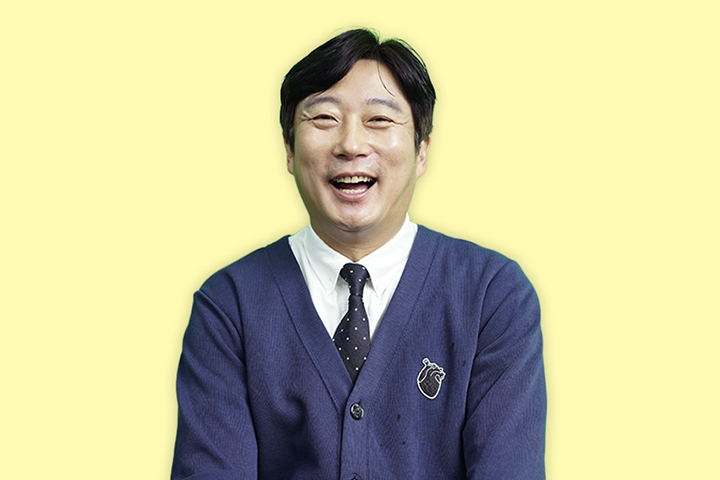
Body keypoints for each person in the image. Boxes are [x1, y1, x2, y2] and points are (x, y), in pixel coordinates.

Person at [171, 28, 546, 480]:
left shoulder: (492, 296)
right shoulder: (229, 305)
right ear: (289, 148)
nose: (351, 144)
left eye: (380, 120)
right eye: (324, 118)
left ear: (422, 150)